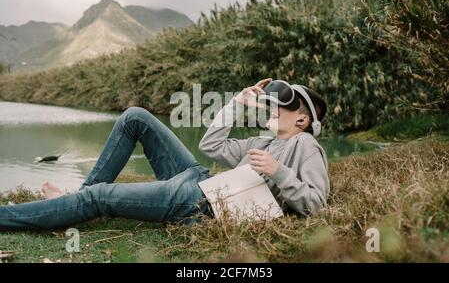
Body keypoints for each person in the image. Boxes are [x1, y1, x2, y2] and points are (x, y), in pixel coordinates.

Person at [0, 78, 329, 230]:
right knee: (135, 117)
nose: (272, 107)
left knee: (100, 196)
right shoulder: (263, 142)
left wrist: (279, 172)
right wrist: (234, 105)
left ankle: (67, 205)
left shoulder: (306, 146)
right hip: (199, 181)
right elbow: (211, 147)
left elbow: (316, 204)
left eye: (283, 104)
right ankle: (74, 205)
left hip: (204, 205)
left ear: (302, 120)